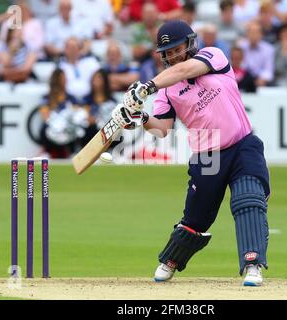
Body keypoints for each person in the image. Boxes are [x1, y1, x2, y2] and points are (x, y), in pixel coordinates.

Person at [111, 20, 271, 286]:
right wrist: (140, 116)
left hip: (242, 143)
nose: (174, 55)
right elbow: (162, 129)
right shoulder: (167, 90)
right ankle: (171, 259)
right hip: (207, 152)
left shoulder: (213, 57)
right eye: (168, 52)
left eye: (177, 48)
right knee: (197, 218)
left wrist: (146, 88)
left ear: (189, 44)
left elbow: (186, 69)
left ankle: (253, 264)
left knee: (249, 200)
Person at [39, 69, 88, 158]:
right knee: (45, 128)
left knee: (79, 129)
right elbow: (45, 115)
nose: (64, 81)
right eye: (62, 78)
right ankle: (47, 152)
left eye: (65, 78)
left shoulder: (71, 98)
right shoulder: (47, 98)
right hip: (54, 126)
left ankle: (72, 152)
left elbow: (77, 114)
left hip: (68, 127)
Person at [81, 69, 118, 146]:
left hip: (106, 132)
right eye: (94, 78)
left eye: (99, 78)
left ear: (105, 81)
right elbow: (84, 115)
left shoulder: (111, 101)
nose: (96, 81)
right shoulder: (86, 99)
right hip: (90, 132)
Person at [238, 21, 275, 89]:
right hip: (244, 79)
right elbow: (239, 66)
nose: (254, 35)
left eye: (256, 33)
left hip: (262, 80)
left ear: (261, 34)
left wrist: (262, 79)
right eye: (251, 33)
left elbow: (268, 70)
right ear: (247, 34)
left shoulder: (268, 49)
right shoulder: (241, 47)